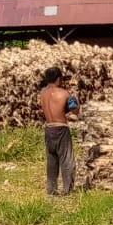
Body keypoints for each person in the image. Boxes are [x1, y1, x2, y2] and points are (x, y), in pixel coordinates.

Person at [38, 67, 78, 196]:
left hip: (49, 128)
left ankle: (51, 191)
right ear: (58, 78)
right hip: (61, 128)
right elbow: (74, 110)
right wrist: (75, 99)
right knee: (67, 160)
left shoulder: (43, 93)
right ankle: (68, 191)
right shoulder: (64, 93)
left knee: (52, 161)